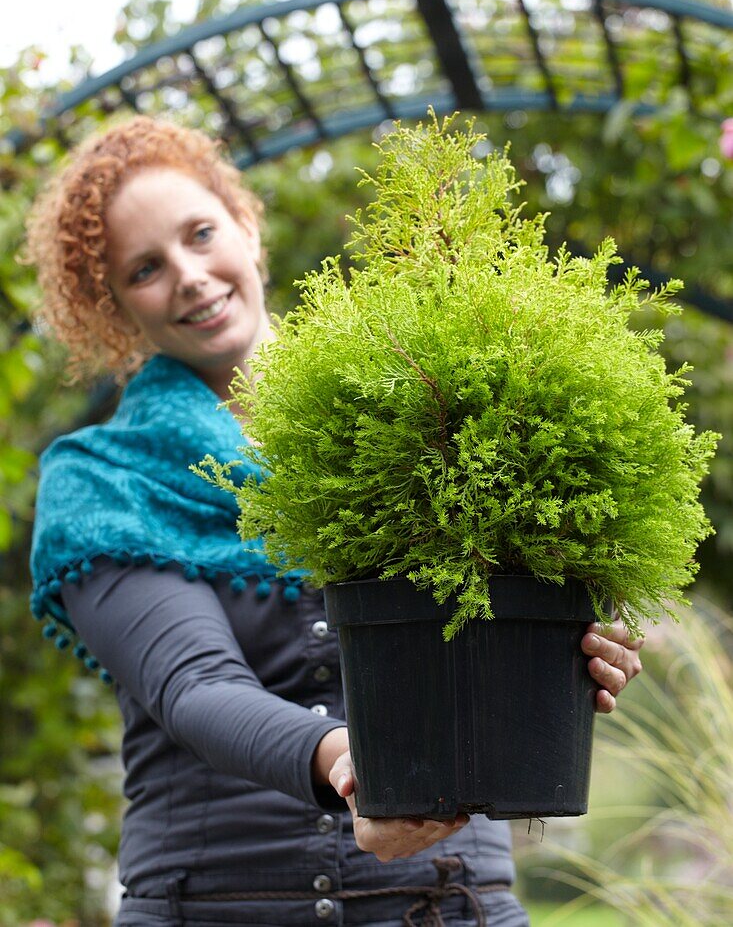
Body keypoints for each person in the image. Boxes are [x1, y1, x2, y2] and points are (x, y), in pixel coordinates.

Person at [27, 116, 643, 927]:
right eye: (145, 268)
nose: (188, 275)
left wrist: (570, 649)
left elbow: (493, 627)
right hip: (217, 905)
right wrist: (358, 765)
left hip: (446, 900)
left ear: (244, 224)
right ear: (114, 308)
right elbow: (192, 684)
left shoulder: (431, 409)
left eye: (200, 233)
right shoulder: (104, 479)